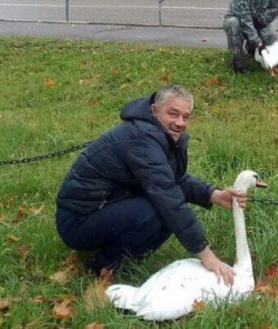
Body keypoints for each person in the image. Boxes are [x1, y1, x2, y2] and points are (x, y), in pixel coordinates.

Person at [55, 84, 246, 284]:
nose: (180, 122)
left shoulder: (160, 134)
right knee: (159, 210)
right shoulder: (142, 139)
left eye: (186, 116)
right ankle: (103, 267)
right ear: (154, 109)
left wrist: (213, 194)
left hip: (106, 206)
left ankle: (119, 257)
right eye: (173, 114)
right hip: (78, 220)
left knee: (164, 212)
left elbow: (173, 178)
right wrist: (206, 254)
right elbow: (167, 195)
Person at [223, 0, 278, 73]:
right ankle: (239, 65)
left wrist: (262, 19)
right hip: (239, 21)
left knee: (270, 36)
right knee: (233, 24)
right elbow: (246, 22)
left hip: (258, 19)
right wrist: (259, 43)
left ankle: (251, 49)